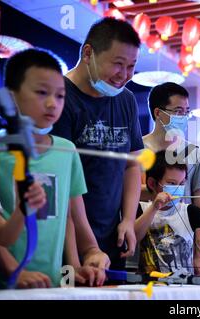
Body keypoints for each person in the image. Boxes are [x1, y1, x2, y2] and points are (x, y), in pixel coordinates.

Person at [0, 48, 108, 288]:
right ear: (10, 97)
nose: (52, 103)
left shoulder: (67, 150)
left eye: (60, 96)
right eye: (41, 92)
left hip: (51, 286)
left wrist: (75, 268)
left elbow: (69, 218)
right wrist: (14, 272)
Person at [52, 18, 144, 270]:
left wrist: (127, 219)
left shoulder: (125, 100)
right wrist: (89, 247)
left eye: (131, 66)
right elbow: (65, 182)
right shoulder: (57, 99)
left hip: (113, 239)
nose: (124, 75)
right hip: (67, 240)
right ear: (88, 53)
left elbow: (132, 165)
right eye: (118, 64)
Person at [141, 82, 200, 274]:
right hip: (143, 242)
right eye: (178, 111)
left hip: (182, 248)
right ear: (158, 113)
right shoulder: (138, 151)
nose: (183, 117)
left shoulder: (196, 154)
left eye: (186, 112)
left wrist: (199, 255)